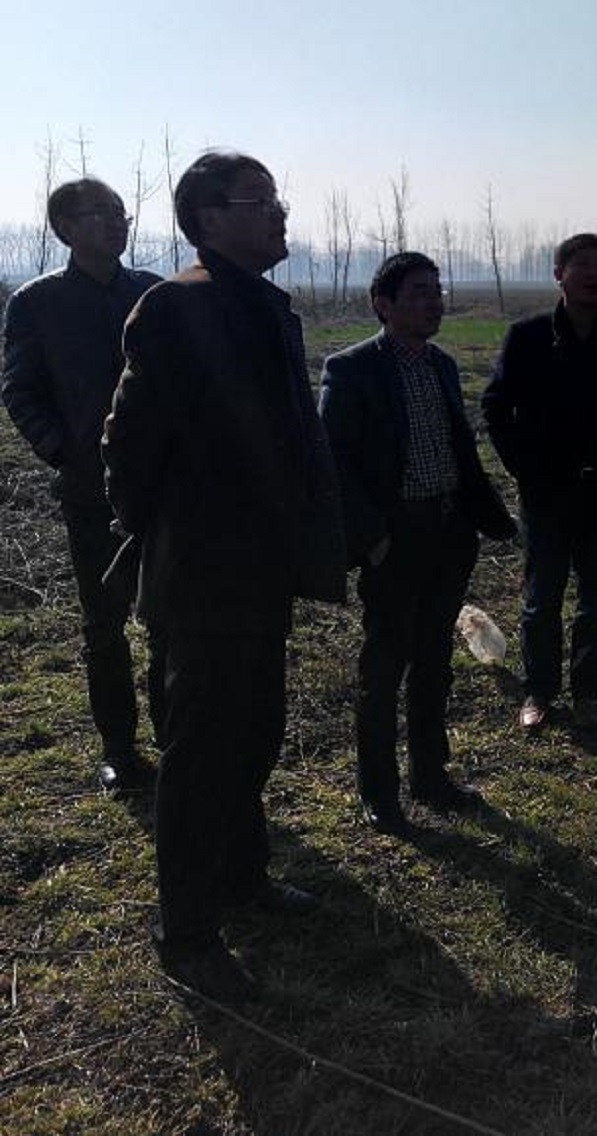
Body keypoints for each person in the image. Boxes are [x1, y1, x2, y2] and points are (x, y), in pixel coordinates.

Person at [101, 149, 345, 1007]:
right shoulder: (177, 306)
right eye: (259, 200)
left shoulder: (265, 306)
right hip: (203, 571)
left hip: (260, 567)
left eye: (277, 199)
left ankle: (244, 876)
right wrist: (163, 530)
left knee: (255, 732)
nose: (279, 213)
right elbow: (127, 443)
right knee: (201, 750)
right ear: (208, 220)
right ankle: (187, 930)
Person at [319, 251, 516, 836]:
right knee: (384, 667)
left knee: (434, 662)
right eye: (419, 293)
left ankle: (431, 776)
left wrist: (491, 520)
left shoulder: (442, 365)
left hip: (449, 533)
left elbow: (460, 453)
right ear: (383, 305)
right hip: (395, 538)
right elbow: (334, 464)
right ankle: (378, 792)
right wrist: (373, 538)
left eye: (437, 291)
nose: (434, 303)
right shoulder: (351, 369)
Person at [1, 178, 165, 789]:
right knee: (104, 623)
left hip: (162, 486)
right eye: (101, 213)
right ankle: (119, 749)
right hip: (90, 489)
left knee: (171, 617)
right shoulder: (37, 303)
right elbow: (20, 390)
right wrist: (63, 452)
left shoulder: (153, 293)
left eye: (122, 213)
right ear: (65, 228)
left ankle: (177, 738)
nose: (117, 222)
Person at [481, 232, 597, 732]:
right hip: (546, 495)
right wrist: (524, 468)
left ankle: (588, 694)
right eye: (582, 265)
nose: (593, 275)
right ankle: (539, 691)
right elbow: (495, 407)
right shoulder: (527, 337)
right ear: (559, 275)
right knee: (541, 598)